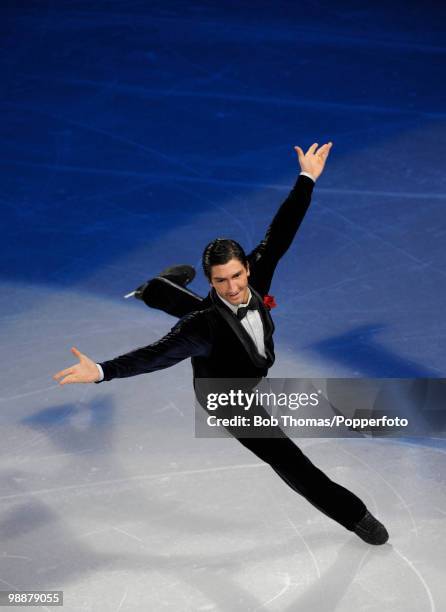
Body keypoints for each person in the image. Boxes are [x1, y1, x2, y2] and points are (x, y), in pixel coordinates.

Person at [53, 142, 389, 545]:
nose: (232, 288)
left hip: (242, 360)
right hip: (226, 395)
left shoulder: (253, 276)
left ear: (247, 266)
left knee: (215, 315)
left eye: (237, 276)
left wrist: (307, 178)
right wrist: (103, 371)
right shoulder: (200, 327)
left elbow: (282, 230)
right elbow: (156, 355)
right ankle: (355, 516)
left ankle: (159, 289)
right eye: (220, 281)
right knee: (288, 459)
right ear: (210, 279)